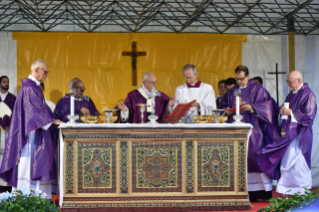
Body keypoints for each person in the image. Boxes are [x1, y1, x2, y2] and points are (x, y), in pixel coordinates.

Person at [0, 59, 63, 199]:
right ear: (36, 70)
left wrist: (52, 120)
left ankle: (35, 196)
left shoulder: (33, 87)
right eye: (45, 72)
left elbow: (41, 109)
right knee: (29, 164)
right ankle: (29, 197)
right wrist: (51, 121)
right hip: (30, 136)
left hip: (34, 131)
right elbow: (34, 112)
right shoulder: (29, 88)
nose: (47, 74)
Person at [220, 65, 281, 201]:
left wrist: (252, 108)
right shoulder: (232, 91)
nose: (239, 82)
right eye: (237, 79)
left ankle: (260, 192)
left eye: (242, 79)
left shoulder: (258, 89)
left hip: (254, 130)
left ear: (248, 76)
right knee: (237, 159)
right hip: (235, 130)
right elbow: (222, 106)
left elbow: (269, 106)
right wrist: (227, 110)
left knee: (254, 157)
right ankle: (243, 192)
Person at [255, 71, 317, 195]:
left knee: (299, 166)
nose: (288, 84)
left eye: (290, 82)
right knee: (287, 165)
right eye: (287, 82)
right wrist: (282, 111)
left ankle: (302, 194)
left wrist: (291, 112)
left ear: (299, 81)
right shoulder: (290, 96)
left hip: (300, 138)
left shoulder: (308, 95)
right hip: (287, 137)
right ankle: (289, 194)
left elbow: (309, 116)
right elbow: (284, 112)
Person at [0, 76, 16, 192]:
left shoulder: (13, 99)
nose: (6, 84)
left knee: (6, 155)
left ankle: (6, 183)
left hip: (8, 132)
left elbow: (16, 115)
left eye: (8, 82)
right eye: (4, 82)